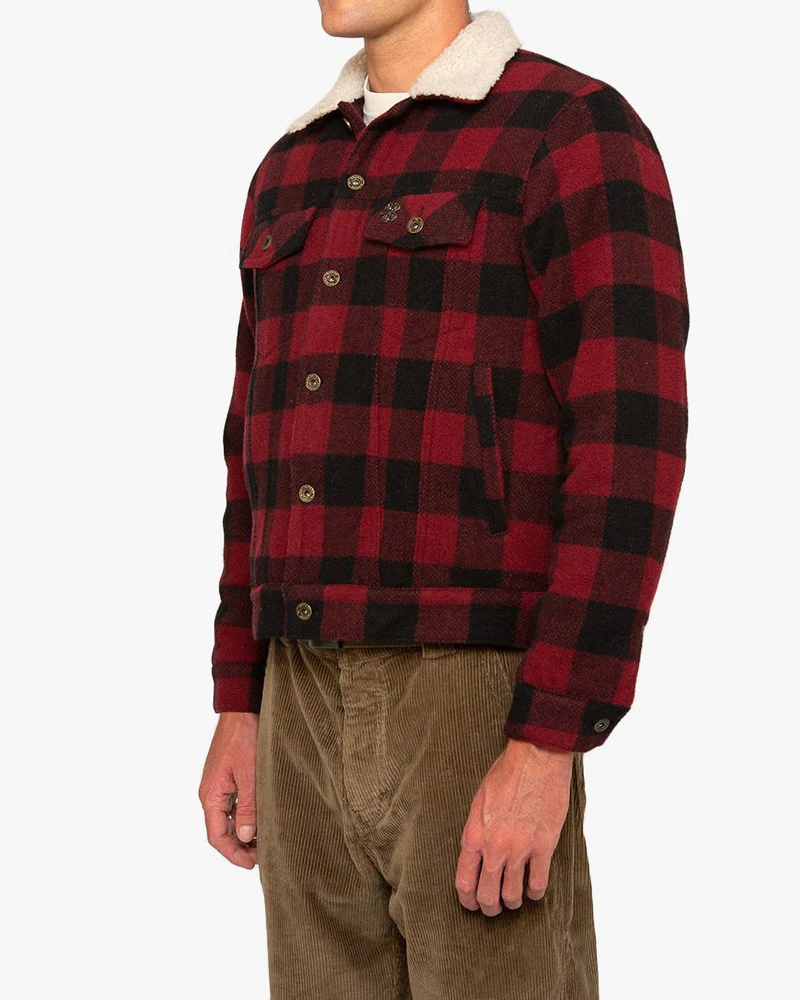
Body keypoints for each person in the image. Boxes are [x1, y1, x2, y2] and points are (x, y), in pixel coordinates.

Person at [198, 3, 689, 997]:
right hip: (297, 688)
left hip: (472, 692)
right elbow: (251, 448)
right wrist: (238, 698)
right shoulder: (289, 167)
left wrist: (547, 738)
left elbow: (631, 444)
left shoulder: (567, 130)